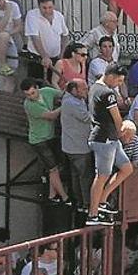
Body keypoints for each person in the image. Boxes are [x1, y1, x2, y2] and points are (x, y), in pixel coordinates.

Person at [87, 65, 133, 226]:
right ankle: (92, 214)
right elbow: (117, 118)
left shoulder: (95, 87)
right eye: (119, 80)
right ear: (111, 76)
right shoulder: (107, 93)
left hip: (109, 138)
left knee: (127, 168)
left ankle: (102, 200)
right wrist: (123, 132)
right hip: (104, 139)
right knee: (102, 176)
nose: (119, 84)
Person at [22, 78, 70, 206]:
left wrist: (67, 91)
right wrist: (64, 105)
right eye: (27, 95)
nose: (31, 96)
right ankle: (65, 197)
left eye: (32, 93)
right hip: (38, 140)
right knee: (53, 169)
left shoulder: (47, 91)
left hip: (49, 136)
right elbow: (51, 116)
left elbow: (62, 94)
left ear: (37, 88)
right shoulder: (29, 105)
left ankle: (52, 195)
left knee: (53, 168)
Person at [60, 79, 94, 214]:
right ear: (74, 90)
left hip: (71, 145)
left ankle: (79, 202)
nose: (87, 91)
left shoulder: (71, 99)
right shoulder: (71, 102)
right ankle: (86, 204)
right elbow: (88, 117)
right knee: (84, 176)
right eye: (84, 89)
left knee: (76, 176)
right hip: (78, 147)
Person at [25, 0, 69, 81]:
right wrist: (44, 56)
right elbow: (35, 38)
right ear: (39, 6)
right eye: (44, 8)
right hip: (37, 59)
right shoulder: (32, 15)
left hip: (55, 59)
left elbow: (65, 36)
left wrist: (61, 55)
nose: (47, 10)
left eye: (50, 7)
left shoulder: (59, 16)